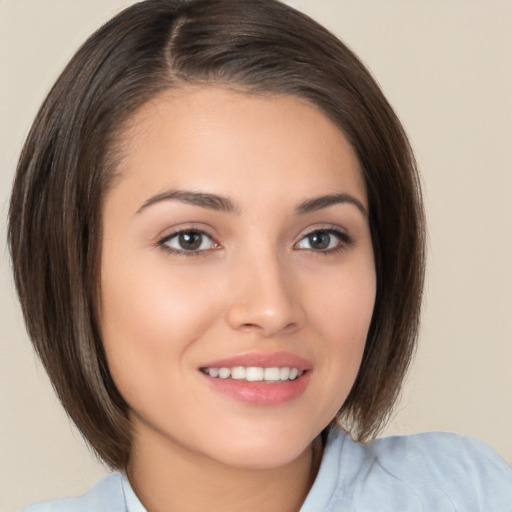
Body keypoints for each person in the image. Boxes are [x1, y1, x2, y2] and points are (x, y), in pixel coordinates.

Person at [7, 0, 511, 510]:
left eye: (320, 238)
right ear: (71, 267)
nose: (272, 309)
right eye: (190, 239)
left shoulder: (472, 493)